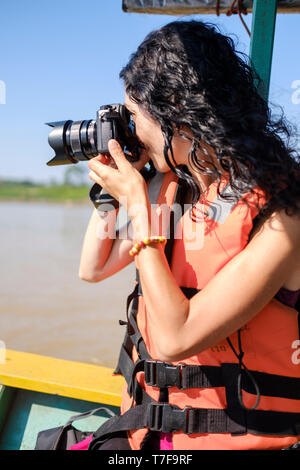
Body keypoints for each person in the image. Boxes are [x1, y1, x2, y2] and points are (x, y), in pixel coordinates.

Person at [78, 20, 300, 450]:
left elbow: (177, 338)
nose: (132, 130)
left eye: (135, 117)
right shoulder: (179, 188)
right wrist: (118, 189)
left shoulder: (284, 212)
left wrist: (139, 209)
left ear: (176, 113)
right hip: (152, 433)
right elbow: (93, 267)